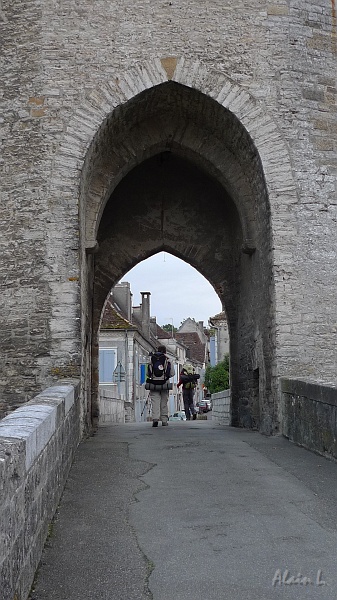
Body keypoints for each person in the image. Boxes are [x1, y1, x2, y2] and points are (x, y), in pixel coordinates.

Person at [147, 345, 175, 427]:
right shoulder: (168, 359)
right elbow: (172, 373)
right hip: (164, 383)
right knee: (164, 402)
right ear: (165, 351)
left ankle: (155, 419)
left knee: (155, 401)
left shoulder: (152, 358)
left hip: (154, 383)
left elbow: (148, 373)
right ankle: (164, 420)